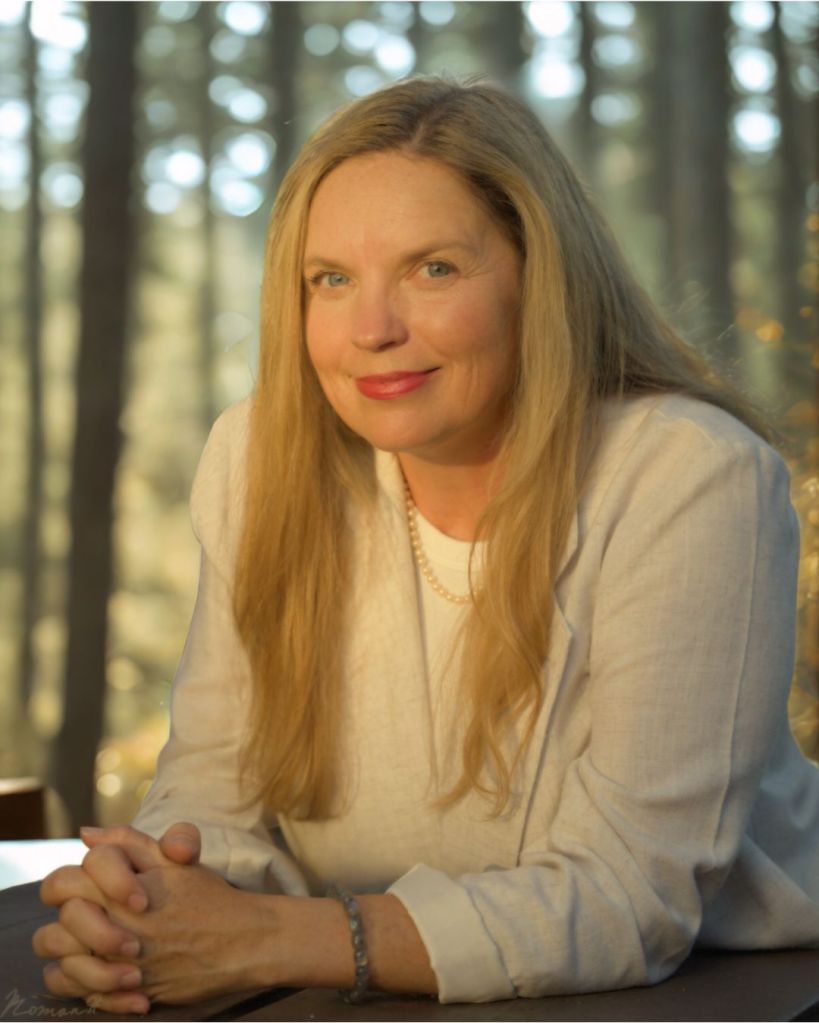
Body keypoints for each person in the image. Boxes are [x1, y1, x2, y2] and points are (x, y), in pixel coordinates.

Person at [33, 76, 819, 1014]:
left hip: (725, 985)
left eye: (433, 269)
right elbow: (214, 795)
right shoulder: (258, 456)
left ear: (540, 276)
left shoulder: (687, 475)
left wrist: (269, 939)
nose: (372, 329)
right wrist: (141, 907)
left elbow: (630, 894)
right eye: (331, 280)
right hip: (375, 982)